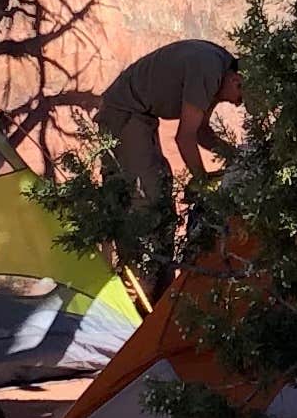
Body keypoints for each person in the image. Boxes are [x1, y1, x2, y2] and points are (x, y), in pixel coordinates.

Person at [98, 36, 240, 271]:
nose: (237, 105)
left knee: (160, 187)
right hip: (124, 113)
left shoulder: (219, 67)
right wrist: (203, 182)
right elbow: (185, 138)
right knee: (149, 196)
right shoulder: (210, 70)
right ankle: (138, 275)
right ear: (237, 80)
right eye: (240, 99)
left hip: (138, 115)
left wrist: (236, 157)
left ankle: (155, 275)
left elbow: (201, 132)